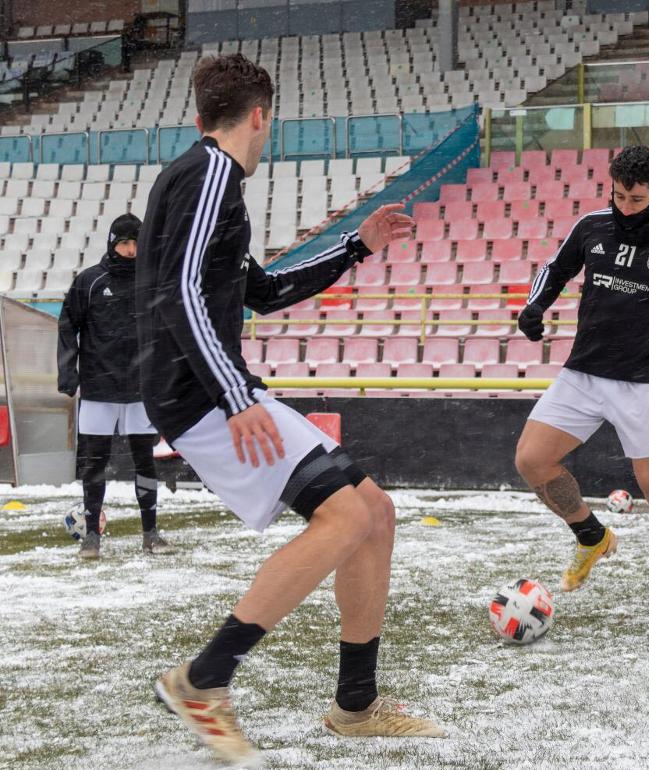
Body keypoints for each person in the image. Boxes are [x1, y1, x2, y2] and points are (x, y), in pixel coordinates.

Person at [136, 54, 438, 766]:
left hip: (210, 384)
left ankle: (355, 705)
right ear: (261, 115)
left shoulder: (209, 184)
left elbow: (261, 291)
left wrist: (353, 247)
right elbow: (179, 294)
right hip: (202, 391)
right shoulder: (211, 174)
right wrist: (236, 396)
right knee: (348, 516)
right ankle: (203, 681)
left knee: (375, 513)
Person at [513, 145, 649, 629]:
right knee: (530, 460)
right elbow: (555, 268)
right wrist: (535, 306)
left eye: (635, 199)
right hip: (583, 373)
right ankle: (590, 535)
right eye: (618, 197)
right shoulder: (592, 226)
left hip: (639, 384)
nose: (625, 207)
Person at [57, 213, 173, 559]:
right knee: (94, 463)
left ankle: (150, 533)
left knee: (144, 462)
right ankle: (92, 537)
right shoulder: (89, 282)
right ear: (112, 243)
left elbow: (169, 330)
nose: (131, 249)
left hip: (140, 391)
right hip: (98, 389)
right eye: (124, 242)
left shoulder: (153, 282)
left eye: (136, 242)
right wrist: (68, 373)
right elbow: (67, 325)